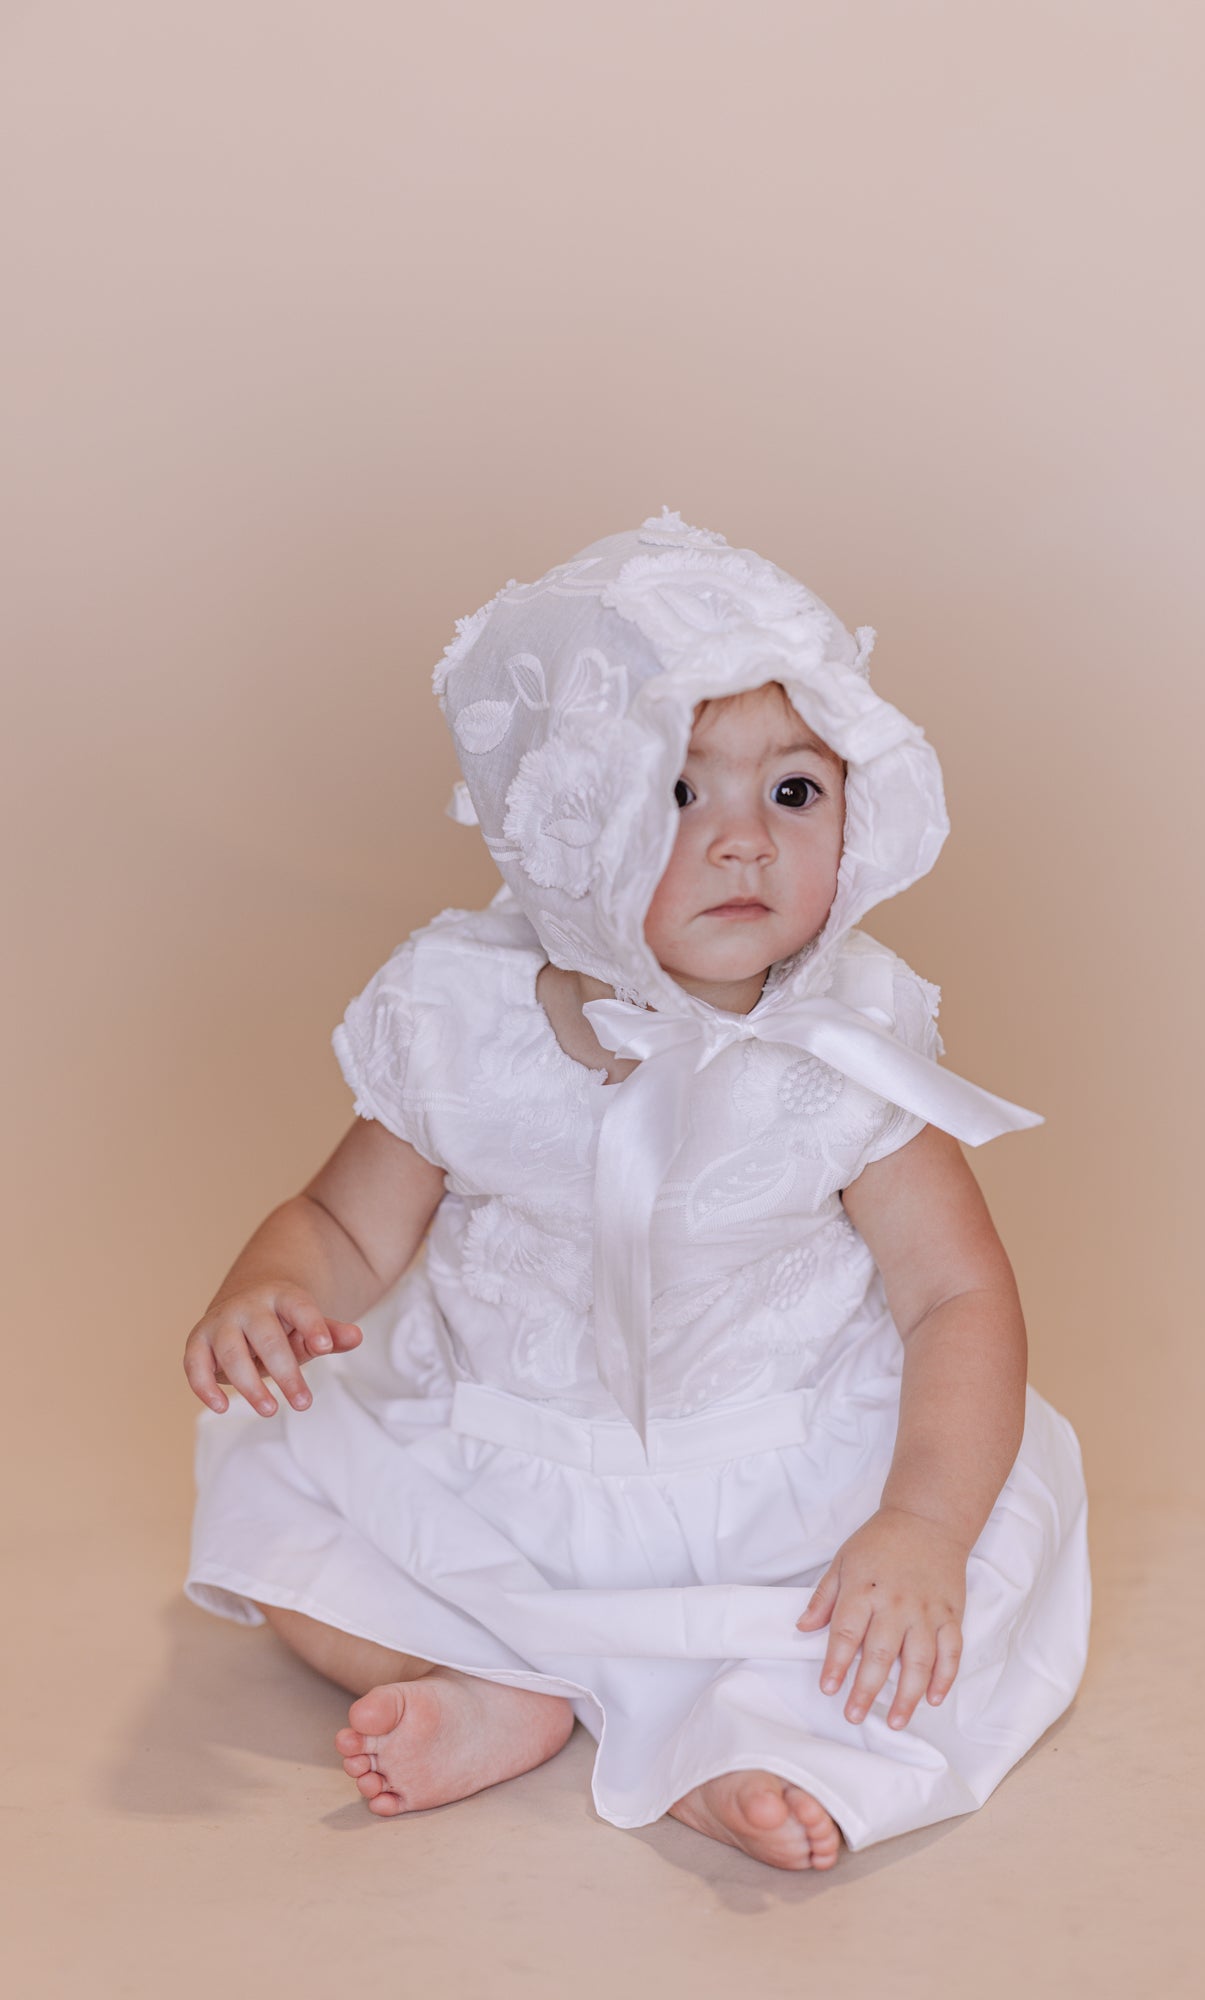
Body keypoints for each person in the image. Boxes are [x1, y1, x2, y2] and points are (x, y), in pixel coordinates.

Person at [182, 507, 1090, 1872]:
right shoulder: (465, 1022)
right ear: (558, 825)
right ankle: (510, 1687)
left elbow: (954, 1294)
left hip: (779, 1480)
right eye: (675, 794)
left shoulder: (844, 1042)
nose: (743, 843)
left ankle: (743, 1745)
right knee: (274, 1481)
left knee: (980, 1559)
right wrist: (273, 1287)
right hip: (509, 1456)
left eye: (793, 792)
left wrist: (917, 1522)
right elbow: (339, 1223)